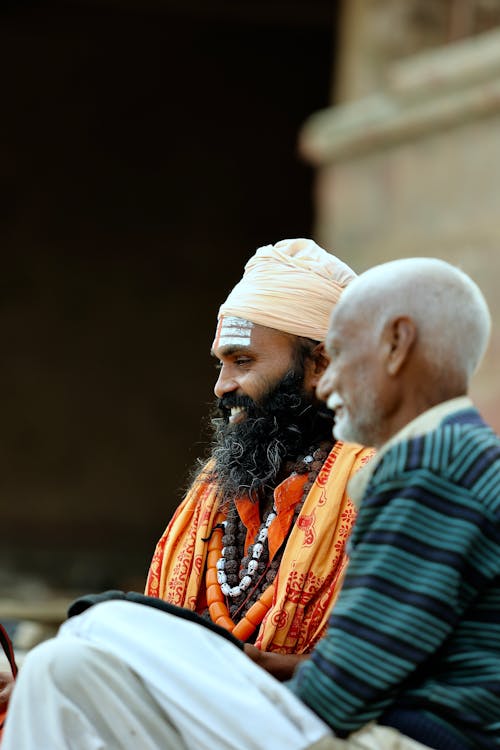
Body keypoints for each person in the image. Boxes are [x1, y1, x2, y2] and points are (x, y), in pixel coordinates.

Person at [4, 256, 499, 750]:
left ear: (395, 346)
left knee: (99, 628)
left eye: (341, 356)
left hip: (387, 739)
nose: (329, 383)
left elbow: (338, 696)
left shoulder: (429, 464)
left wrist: (225, 668)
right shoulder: (453, 455)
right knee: (63, 666)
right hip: (346, 723)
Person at [145, 238, 374, 677]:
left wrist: (263, 669)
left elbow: (390, 673)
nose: (222, 386)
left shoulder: (376, 483)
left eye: (243, 361)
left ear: (320, 365)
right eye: (221, 365)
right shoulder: (218, 489)